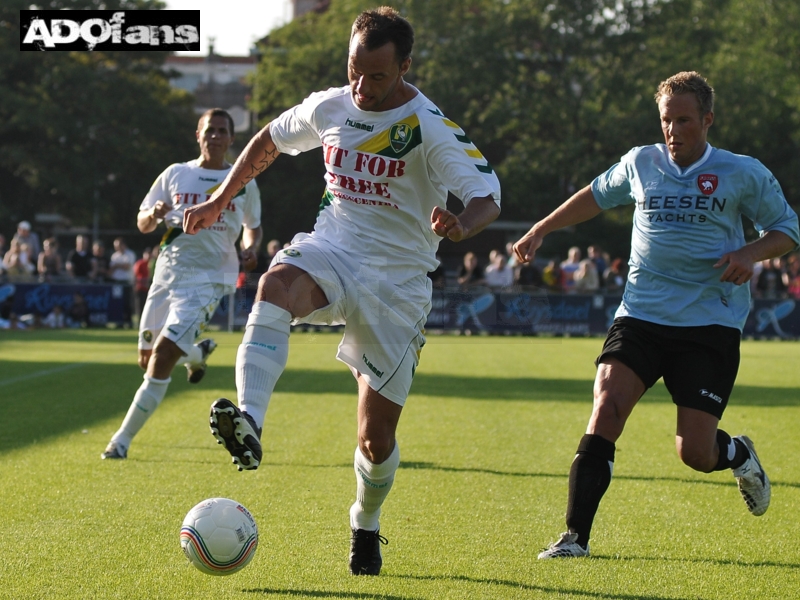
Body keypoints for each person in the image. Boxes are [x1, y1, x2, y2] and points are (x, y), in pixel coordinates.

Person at [182, 8, 501, 576]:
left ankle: (366, 521)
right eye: (355, 70)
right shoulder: (331, 105)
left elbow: (487, 196)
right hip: (333, 248)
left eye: (377, 76)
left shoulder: (427, 126)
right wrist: (218, 199)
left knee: (375, 440)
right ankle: (251, 421)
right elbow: (268, 141)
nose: (362, 86)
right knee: (274, 284)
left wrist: (461, 225)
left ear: (404, 67)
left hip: (397, 284)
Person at [513, 71, 799, 559]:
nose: (673, 130)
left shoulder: (742, 172)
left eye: (684, 120)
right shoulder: (640, 162)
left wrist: (750, 253)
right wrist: (543, 227)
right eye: (667, 120)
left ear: (707, 120)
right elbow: (595, 196)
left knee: (694, 452)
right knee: (605, 407)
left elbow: (788, 229)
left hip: (709, 322)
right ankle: (574, 538)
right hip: (641, 314)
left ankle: (737, 454)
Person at [101, 107, 262, 462]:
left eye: (222, 131)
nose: (215, 136)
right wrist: (153, 214)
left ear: (232, 138)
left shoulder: (242, 181)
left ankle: (121, 441)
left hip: (208, 281)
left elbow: (253, 226)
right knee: (148, 360)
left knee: (160, 358)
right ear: (198, 135)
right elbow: (143, 223)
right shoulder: (175, 174)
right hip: (167, 275)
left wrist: (250, 248)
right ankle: (196, 353)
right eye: (210, 130)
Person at [133, 248, 152, 324]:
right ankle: (139, 322)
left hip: (149, 289)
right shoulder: (140, 263)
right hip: (141, 288)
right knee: (140, 306)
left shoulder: (152, 263)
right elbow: (136, 276)